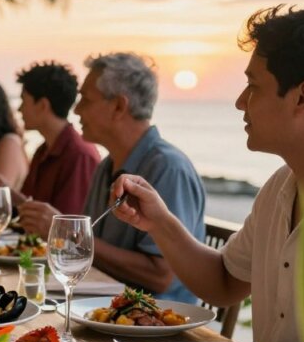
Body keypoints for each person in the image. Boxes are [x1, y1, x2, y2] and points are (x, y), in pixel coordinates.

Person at [110, 3, 304, 342]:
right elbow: (222, 282)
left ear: (303, 97)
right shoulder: (283, 185)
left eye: (253, 86)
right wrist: (159, 221)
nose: (239, 102)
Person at [19, 52, 206, 304]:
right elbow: (92, 251)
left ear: (118, 106)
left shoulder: (168, 168)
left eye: (85, 99)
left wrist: (66, 235)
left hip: (156, 325)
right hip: (102, 308)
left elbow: (160, 276)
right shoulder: (107, 166)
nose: (76, 109)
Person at [0, 62, 100, 214]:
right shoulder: (43, 151)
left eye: (23, 100)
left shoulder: (79, 155)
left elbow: (69, 228)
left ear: (42, 105)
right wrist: (6, 191)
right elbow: (36, 212)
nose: (19, 108)